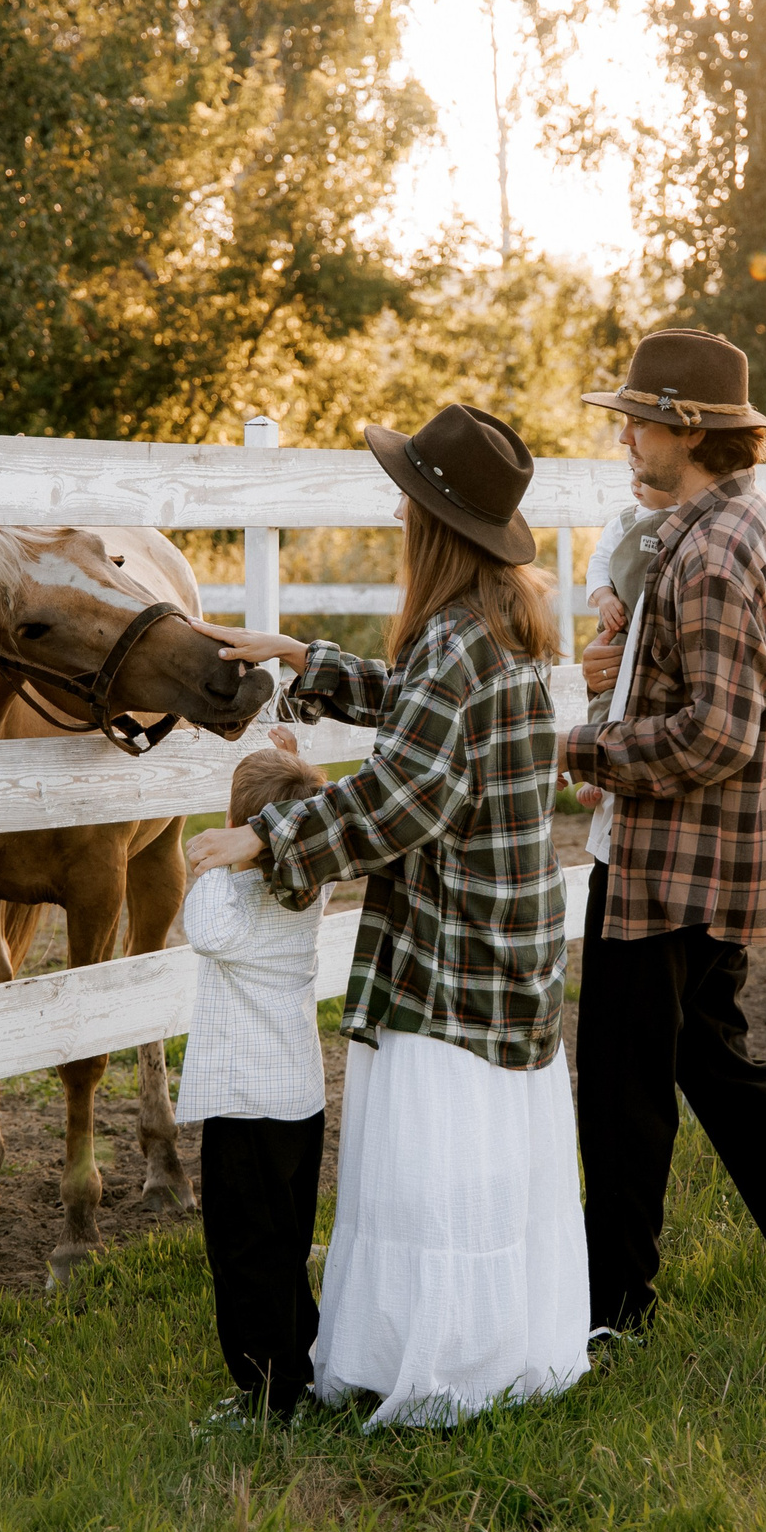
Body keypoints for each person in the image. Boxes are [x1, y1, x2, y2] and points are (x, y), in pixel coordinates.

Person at [183, 403, 588, 1429]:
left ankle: (436, 1364)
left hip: (450, 953)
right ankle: (500, 1350)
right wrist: (300, 657)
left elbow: (404, 795)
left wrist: (269, 840)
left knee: (432, 1170)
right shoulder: (499, 624)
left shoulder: (455, 641)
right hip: (513, 939)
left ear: (431, 526)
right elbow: (418, 705)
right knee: (494, 1166)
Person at [560, 328, 766, 1339]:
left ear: (689, 430)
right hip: (715, 854)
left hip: (671, 861)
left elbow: (717, 732)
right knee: (715, 1066)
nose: (625, 436)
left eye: (639, 420)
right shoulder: (741, 520)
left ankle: (610, 1311)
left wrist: (587, 751)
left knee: (622, 1093)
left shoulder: (708, 552)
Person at [178, 731, 332, 1422]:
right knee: (286, 1243)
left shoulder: (230, 906)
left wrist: (213, 858)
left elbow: (201, 927)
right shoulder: (311, 891)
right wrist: (293, 776)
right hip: (298, 1103)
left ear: (246, 831)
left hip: (245, 1107)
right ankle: (295, 1368)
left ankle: (268, 1394)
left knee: (243, 1251)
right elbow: (298, 830)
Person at [571, 475, 676, 812]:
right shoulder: (624, 522)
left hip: (655, 633)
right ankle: (593, 770)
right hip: (621, 624)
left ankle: (624, 763)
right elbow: (599, 562)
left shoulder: (685, 520)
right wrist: (602, 596)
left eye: (647, 479)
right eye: (633, 477)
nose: (636, 483)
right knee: (604, 694)